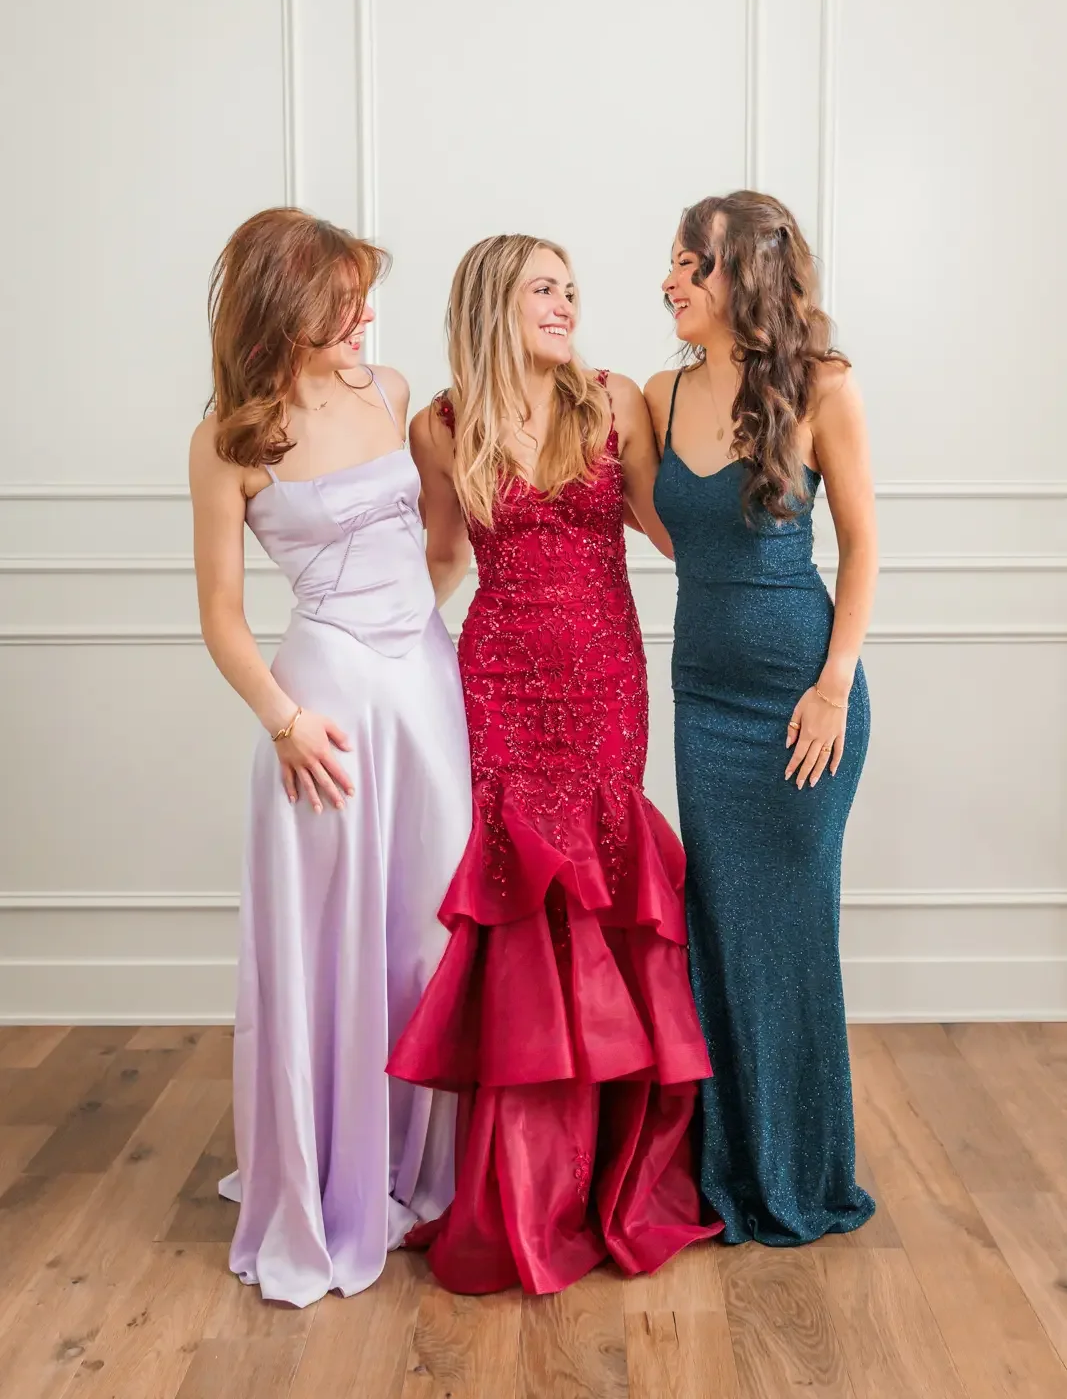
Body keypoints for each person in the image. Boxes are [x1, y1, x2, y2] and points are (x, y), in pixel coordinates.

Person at [387, 233, 720, 1296]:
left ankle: (613, 1180)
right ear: (495, 300)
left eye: (572, 290)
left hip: (606, 688)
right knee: (521, 911)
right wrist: (372, 658)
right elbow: (440, 559)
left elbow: (674, 534)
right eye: (545, 288)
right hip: (496, 686)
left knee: (607, 900)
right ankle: (524, 1190)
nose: (567, 304)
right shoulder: (438, 426)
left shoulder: (610, 400)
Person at [189, 207, 470, 1306]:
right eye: (341, 299)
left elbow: (440, 545)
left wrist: (409, 640)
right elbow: (218, 613)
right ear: (285, 308)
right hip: (321, 711)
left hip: (424, 690)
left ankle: (420, 1169)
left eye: (365, 296)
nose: (363, 317)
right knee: (331, 948)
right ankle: (327, 1176)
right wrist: (286, 718)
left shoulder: (392, 393)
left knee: (429, 930)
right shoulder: (229, 435)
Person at [646, 190, 877, 1245]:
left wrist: (830, 687)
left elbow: (863, 548)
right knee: (720, 934)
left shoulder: (823, 388)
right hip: (702, 704)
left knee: (788, 936)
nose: (669, 282)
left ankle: (804, 1174)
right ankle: (730, 1171)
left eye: (688, 264)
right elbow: (679, 541)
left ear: (738, 270)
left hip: (801, 707)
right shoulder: (657, 392)